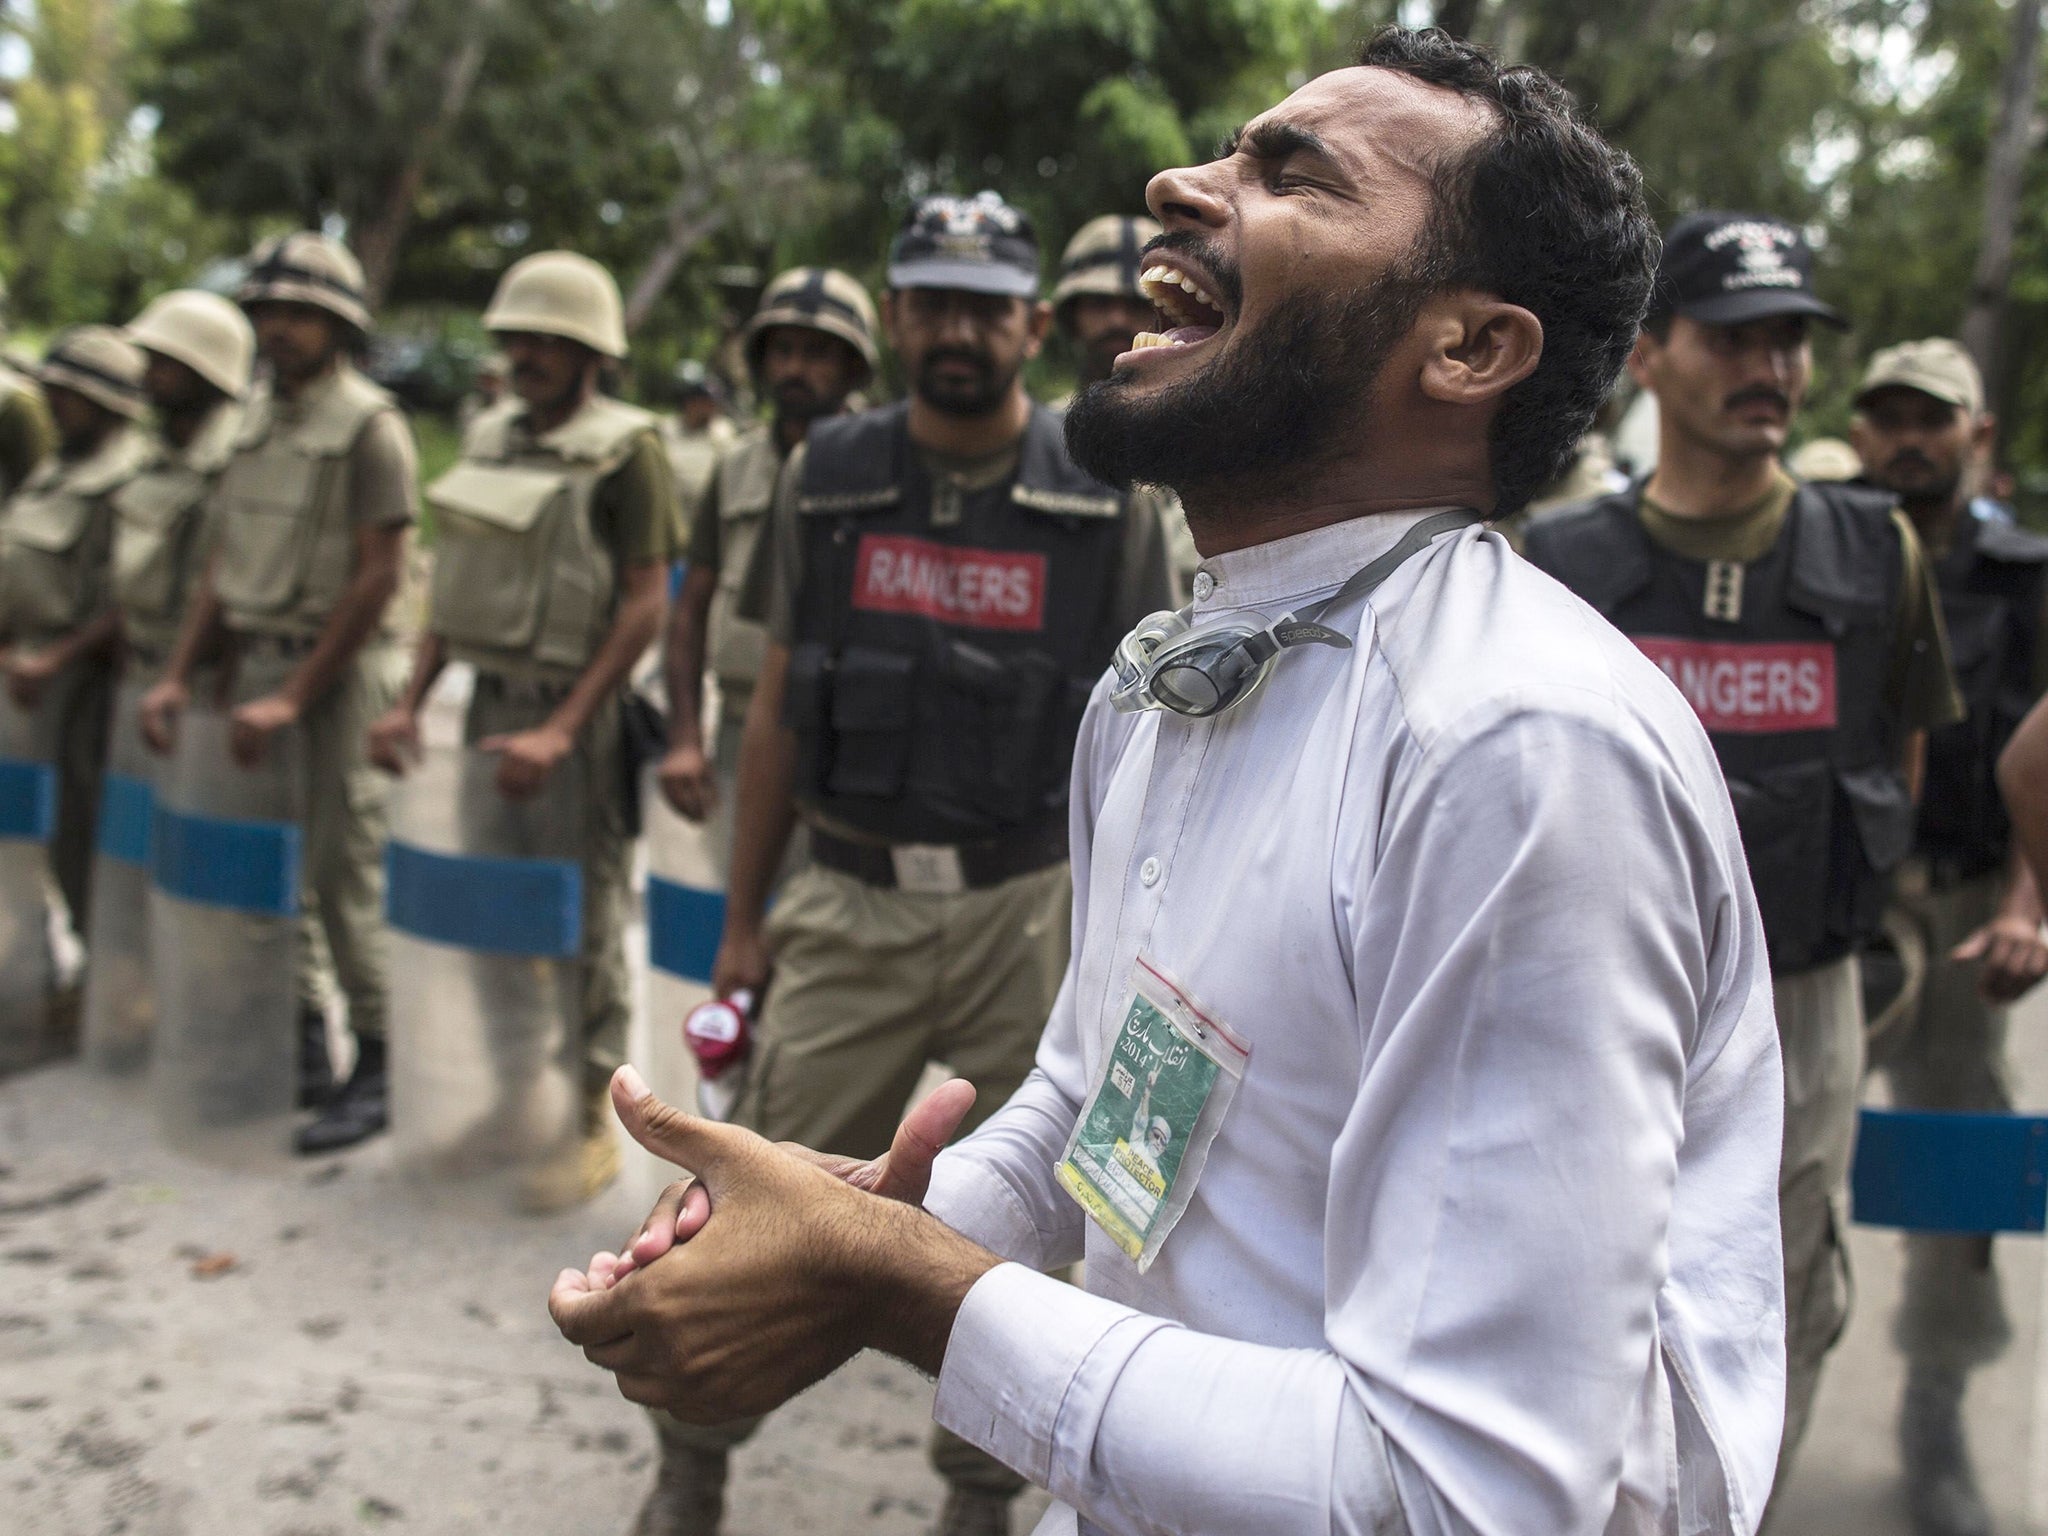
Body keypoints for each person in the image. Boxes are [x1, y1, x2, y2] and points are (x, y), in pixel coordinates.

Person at [555, 29, 1788, 1536]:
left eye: (1292, 174)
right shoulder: (1177, 674)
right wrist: (860, 1224)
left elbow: (1472, 1493)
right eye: (1227, 149)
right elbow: (1105, 1095)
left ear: (1468, 350)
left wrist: (905, 1288)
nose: (1175, 184)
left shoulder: (1518, 751)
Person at [626, 190, 1174, 1536]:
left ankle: (978, 1495)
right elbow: (771, 709)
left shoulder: (1101, 492)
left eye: (986, 306)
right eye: (932, 301)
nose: (958, 329)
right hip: (850, 900)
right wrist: (745, 919)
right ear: (894, 317)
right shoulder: (831, 476)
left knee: (1039, 1235)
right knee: (752, 1191)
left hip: (1028, 915)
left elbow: (1155, 746)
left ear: (1031, 325)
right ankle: (690, 1463)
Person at [1524, 212, 1962, 1508]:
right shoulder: (1562, 564)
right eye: (1732, 337)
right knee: (1571, 1283)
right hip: (1595, 1005)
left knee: (1777, 1294)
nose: (1768, 366)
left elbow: (1900, 757)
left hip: (1799, 1002)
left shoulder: (1875, 554)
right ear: (1649, 356)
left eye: (1789, 341)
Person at [367, 251, 676, 1208]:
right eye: (520, 336)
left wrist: (566, 726)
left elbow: (643, 605)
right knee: (494, 914)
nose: (532, 353)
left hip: (570, 720)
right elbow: (456, 590)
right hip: (487, 707)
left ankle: (592, 1117)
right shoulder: (491, 435)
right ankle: (514, 1100)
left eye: (554, 338)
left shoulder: (630, 449)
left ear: (593, 353)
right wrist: (411, 701)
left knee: (578, 920)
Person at [139, 232, 419, 1154]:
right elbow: (222, 565)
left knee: (346, 872)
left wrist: (298, 694)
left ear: (339, 325)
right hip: (254, 668)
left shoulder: (373, 425)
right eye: (267, 311)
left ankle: (378, 1061)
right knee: (267, 869)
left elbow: (381, 575)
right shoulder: (252, 425)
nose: (279, 328)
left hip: (334, 677)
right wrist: (184, 673)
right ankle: (298, 1046)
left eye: (300, 313)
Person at [1850, 336, 2048, 1536]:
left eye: (1930, 418)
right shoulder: (1821, 547)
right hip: (1831, 908)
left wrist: (2028, 907)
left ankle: (1931, 1415)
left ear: (1974, 436)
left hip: (1967, 897)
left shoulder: (2024, 577)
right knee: (1770, 1149)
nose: (1903, 436)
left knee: (1953, 1164)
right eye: (1884, 416)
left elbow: (2041, 750)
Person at [658, 268, 878, 846]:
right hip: (738, 721)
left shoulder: (889, 466)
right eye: (781, 351)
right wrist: (684, 737)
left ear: (854, 366)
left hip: (853, 733)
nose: (795, 369)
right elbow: (691, 608)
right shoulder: (732, 467)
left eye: (817, 353)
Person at [0, 327, 151, 943]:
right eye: (52, 389)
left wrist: (59, 657)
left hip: (79, 678)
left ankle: (105, 969)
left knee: (80, 828)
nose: (55, 403)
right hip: (24, 671)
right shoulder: (54, 470)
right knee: (20, 824)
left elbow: (131, 598)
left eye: (71, 393)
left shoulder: (131, 477)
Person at [1051, 216, 1200, 594]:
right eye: (1100, 303)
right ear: (1072, 316)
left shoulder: (1211, 444)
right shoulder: (1040, 440)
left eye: (1138, 303)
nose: (1117, 320)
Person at [661, 362, 736, 528]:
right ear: (690, 403)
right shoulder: (666, 431)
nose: (711, 408)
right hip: (674, 520)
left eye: (713, 403)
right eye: (705, 402)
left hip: (709, 523)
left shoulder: (724, 434)